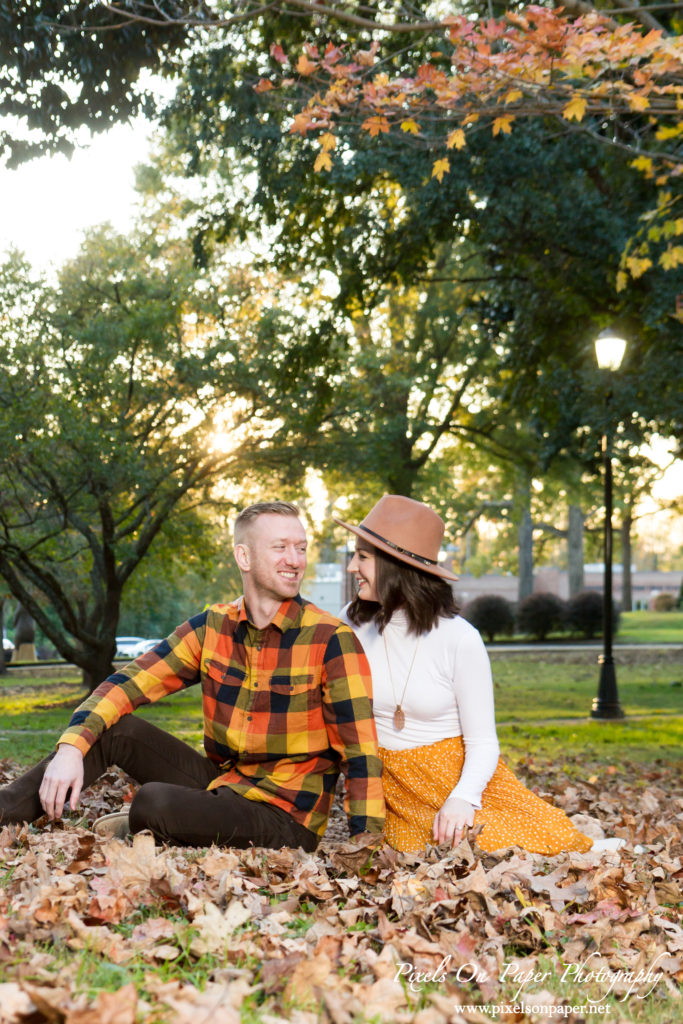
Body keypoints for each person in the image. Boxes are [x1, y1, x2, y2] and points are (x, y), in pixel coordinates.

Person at [0, 501, 385, 850]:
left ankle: (155, 821)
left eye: (301, 548)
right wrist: (71, 747)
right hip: (223, 784)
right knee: (115, 729)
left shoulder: (332, 640)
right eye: (280, 547)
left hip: (285, 815)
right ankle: (5, 810)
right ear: (244, 556)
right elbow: (129, 682)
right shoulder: (212, 627)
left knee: (153, 802)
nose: (295, 559)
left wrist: (364, 850)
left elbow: (361, 755)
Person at [334, 494, 597, 856]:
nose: (351, 567)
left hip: (456, 780)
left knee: (508, 845)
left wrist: (463, 799)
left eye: (362, 557)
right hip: (392, 788)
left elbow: (484, 742)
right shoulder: (350, 622)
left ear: (397, 566)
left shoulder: (459, 638)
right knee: (412, 852)